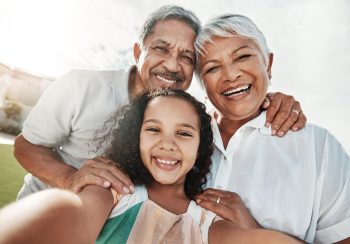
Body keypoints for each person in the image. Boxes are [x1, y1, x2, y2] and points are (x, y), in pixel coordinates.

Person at [14, 5, 307, 200]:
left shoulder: (183, 114)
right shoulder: (81, 85)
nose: (172, 65)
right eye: (161, 49)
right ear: (137, 51)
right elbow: (26, 145)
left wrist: (271, 102)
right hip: (43, 212)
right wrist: (71, 178)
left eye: (186, 57)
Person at [0, 89, 300, 244]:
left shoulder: (207, 215)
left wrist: (254, 229)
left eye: (183, 133)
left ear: (201, 147)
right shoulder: (114, 190)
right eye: (154, 129)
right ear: (136, 137)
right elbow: (69, 212)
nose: (167, 143)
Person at [192, 13, 350, 243]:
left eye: (243, 56)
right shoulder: (183, 141)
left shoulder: (318, 147)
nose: (231, 75)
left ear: (269, 63)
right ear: (202, 85)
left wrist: (254, 232)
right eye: (212, 68)